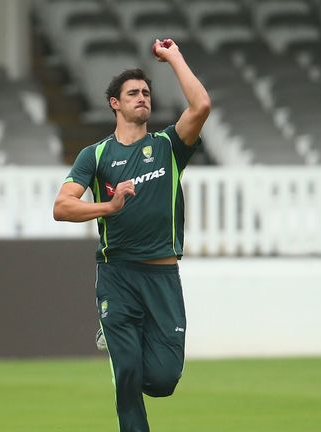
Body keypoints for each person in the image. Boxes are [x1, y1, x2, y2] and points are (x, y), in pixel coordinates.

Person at [52, 38, 211, 431]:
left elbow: (201, 106)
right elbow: (61, 207)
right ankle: (119, 345)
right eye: (133, 93)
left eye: (146, 92)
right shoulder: (96, 155)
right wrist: (107, 207)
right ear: (115, 104)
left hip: (162, 277)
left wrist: (173, 57)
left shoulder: (168, 147)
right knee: (126, 372)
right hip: (117, 274)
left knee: (162, 380)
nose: (142, 98)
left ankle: (121, 344)